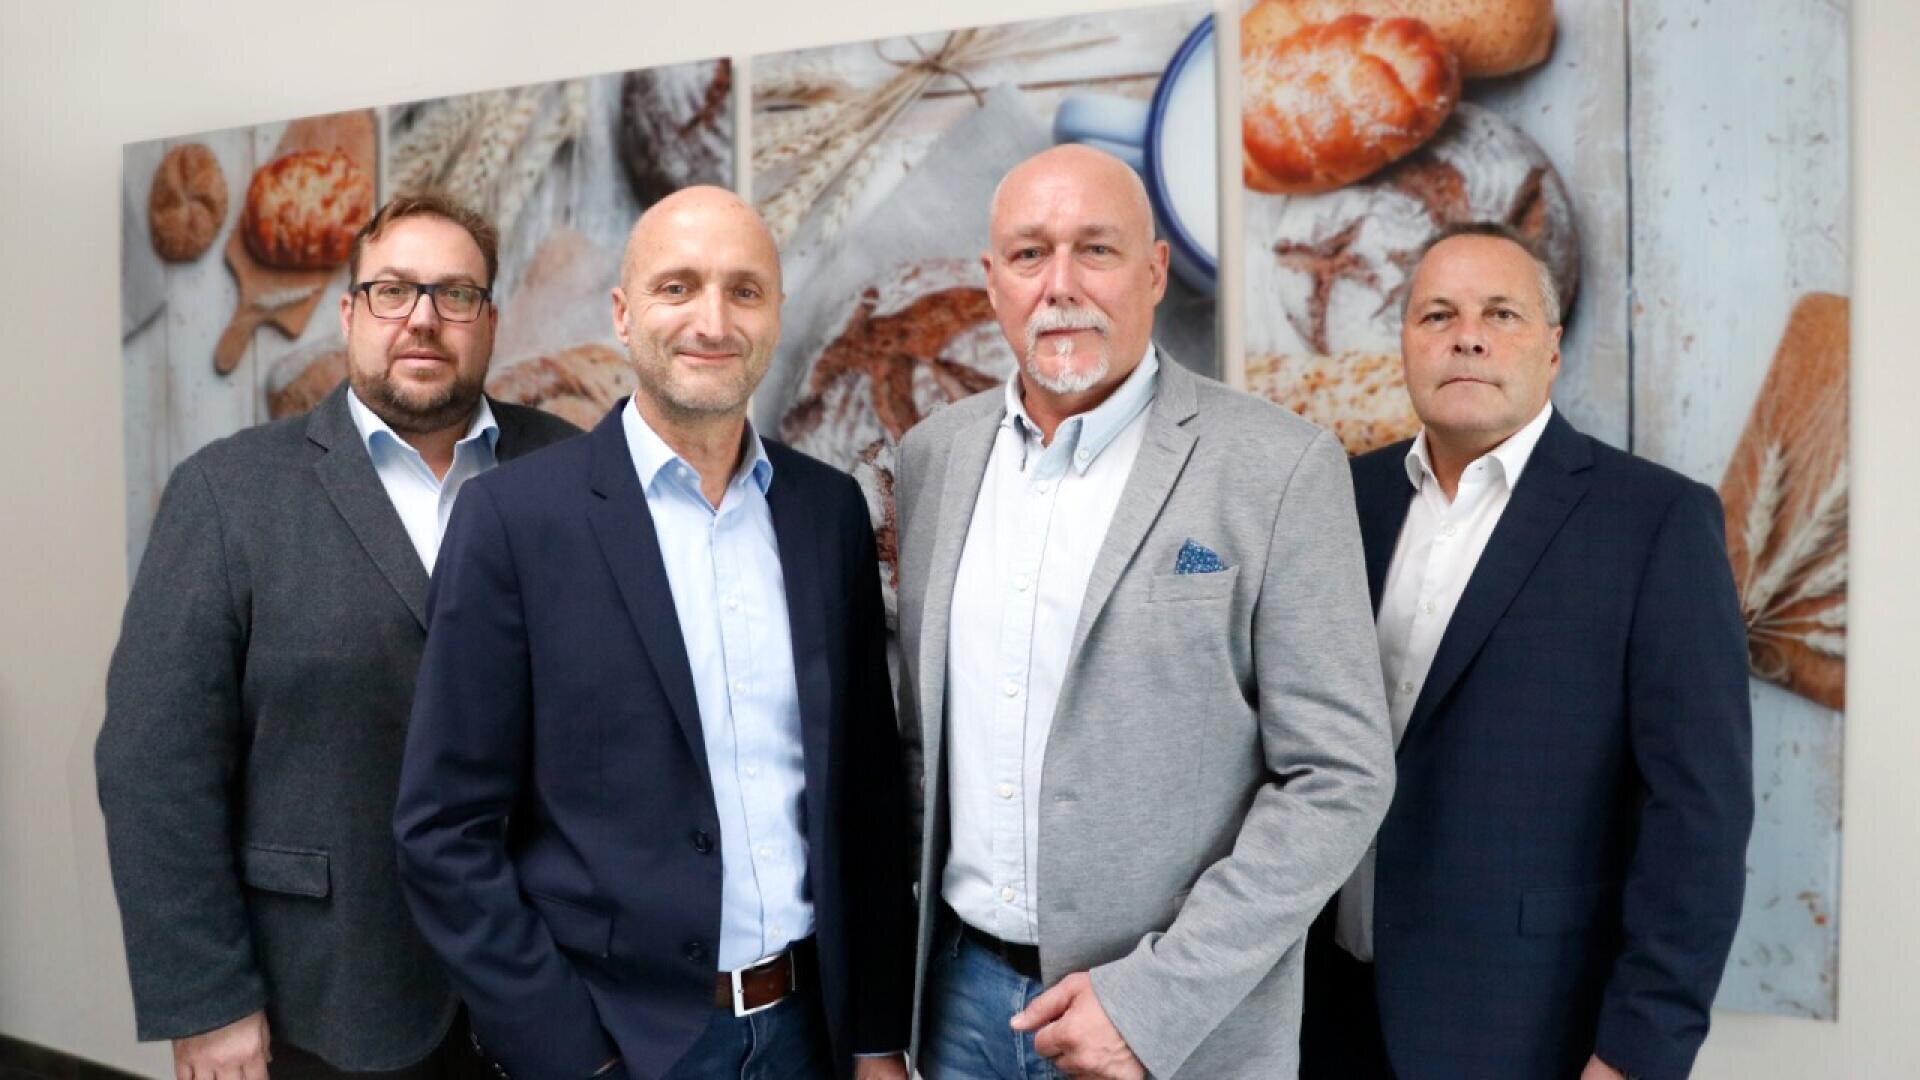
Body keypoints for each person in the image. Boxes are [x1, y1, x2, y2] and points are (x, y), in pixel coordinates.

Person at [892, 144, 1395, 1079]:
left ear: (1155, 270)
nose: (1062, 285)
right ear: (992, 281)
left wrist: (1153, 1000)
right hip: (958, 1005)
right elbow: (920, 747)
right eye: (1031, 254)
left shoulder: (1278, 467)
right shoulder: (933, 458)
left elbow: (1340, 775)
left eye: (1098, 249)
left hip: (1173, 1022)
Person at [392, 186, 913, 1080]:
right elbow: (443, 829)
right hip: (622, 1046)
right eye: (678, 287)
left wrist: (873, 1038)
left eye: (743, 291)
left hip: (808, 1035)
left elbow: (863, 796)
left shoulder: (827, 514)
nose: (711, 320)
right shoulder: (513, 522)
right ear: (624, 317)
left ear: (776, 316)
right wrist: (567, 1054)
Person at [96, 193, 580, 1079]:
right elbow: (152, 766)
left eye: (456, 294)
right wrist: (207, 999)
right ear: (350, 313)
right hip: (320, 999)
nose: (424, 320)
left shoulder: (570, 471)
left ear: (490, 319)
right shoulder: (227, 494)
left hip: (543, 990)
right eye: (393, 291)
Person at [1300, 223, 1754, 1079]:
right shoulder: (1335, 498)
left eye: (1500, 313)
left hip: (1524, 1029)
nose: (1466, 334)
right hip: (1318, 1015)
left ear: (1550, 349)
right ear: (1404, 344)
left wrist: (1636, 1054)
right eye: (1437, 314)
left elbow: (1698, 816)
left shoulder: (1654, 524)